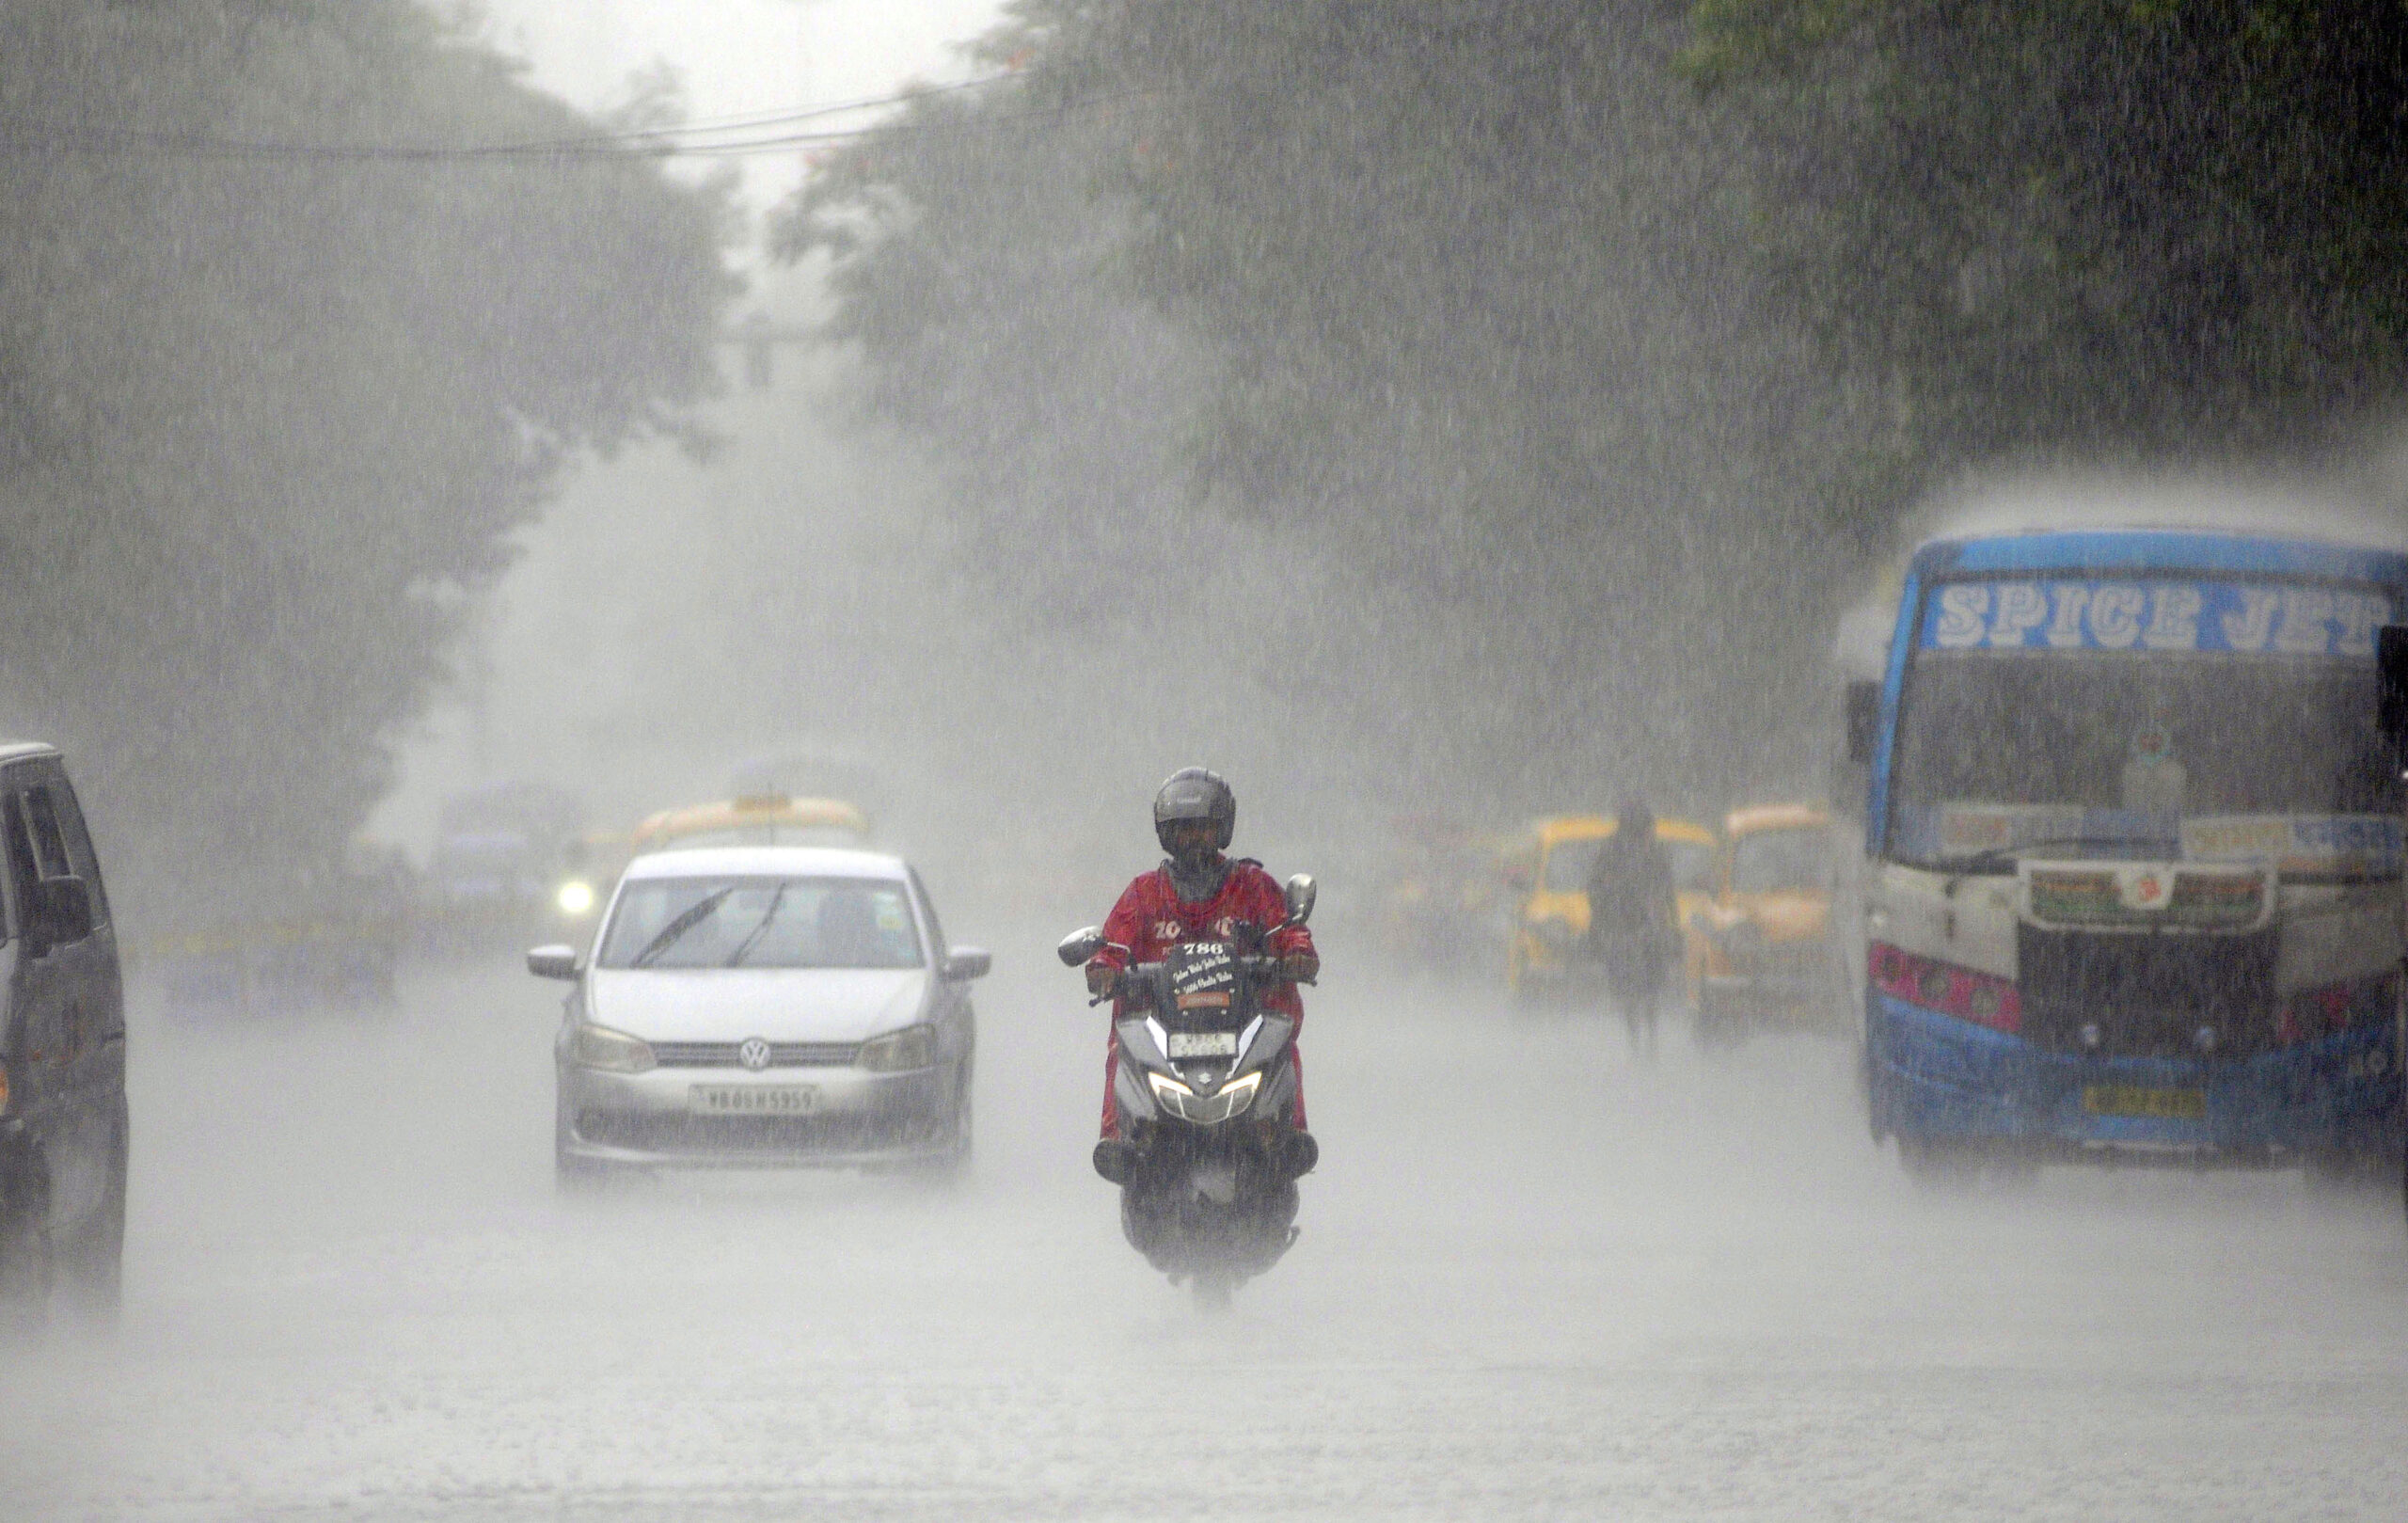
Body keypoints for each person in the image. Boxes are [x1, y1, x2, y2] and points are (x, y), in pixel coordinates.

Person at [1084, 768, 1319, 1182]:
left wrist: (1297, 954)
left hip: (1243, 1019)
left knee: (1282, 1034)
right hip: (1163, 1023)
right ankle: (1117, 1137)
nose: (1194, 839)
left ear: (1223, 829)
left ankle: (1290, 1132)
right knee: (1121, 1045)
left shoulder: (1252, 885)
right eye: (1183, 829)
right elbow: (1112, 945)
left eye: (1204, 829)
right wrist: (1104, 969)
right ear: (1165, 834)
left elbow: (1287, 931)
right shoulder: (1143, 892)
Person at [1582, 798, 1677, 1055]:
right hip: (1626, 928)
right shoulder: (1621, 852)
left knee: (1640, 989)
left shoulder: (1634, 851)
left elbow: (1667, 891)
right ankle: (1642, 1040)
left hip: (1635, 928)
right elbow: (1596, 890)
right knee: (1640, 989)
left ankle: (1643, 1039)